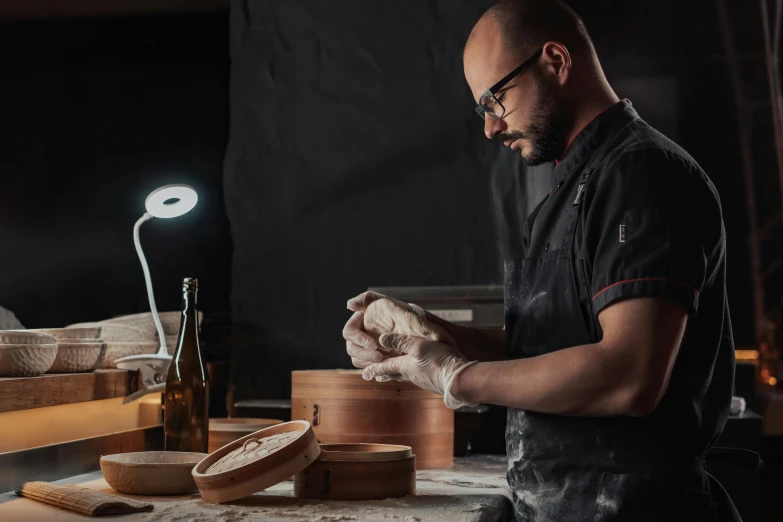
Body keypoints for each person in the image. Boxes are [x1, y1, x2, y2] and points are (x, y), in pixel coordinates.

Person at [343, 1, 744, 520]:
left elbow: (629, 375)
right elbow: (553, 348)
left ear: (555, 60)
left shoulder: (642, 174)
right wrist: (438, 336)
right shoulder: (568, 193)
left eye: (494, 99)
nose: (490, 128)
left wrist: (455, 377)